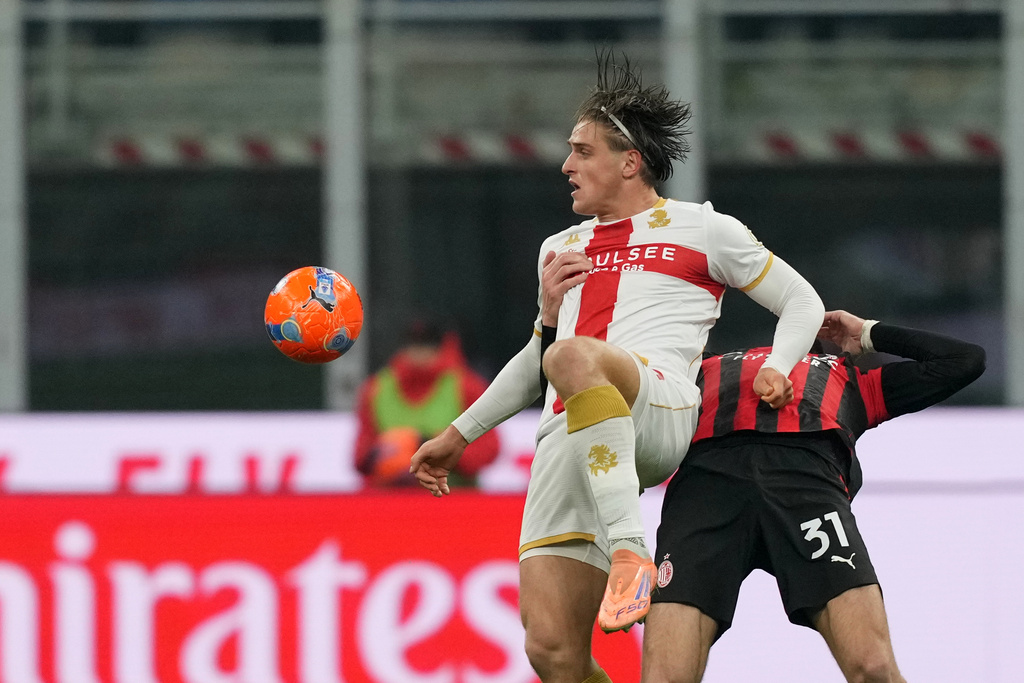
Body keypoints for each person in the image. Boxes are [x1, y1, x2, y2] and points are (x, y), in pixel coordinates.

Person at [410, 53, 825, 683]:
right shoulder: (560, 248)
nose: (566, 166)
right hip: (570, 436)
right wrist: (456, 436)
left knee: (574, 354)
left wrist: (784, 365)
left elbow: (802, 302)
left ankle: (631, 552)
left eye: (581, 151)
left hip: (654, 407)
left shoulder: (704, 229)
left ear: (629, 162)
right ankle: (620, 551)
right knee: (552, 651)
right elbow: (540, 359)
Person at [641, 310, 986, 683]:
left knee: (874, 669)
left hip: (806, 490)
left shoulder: (852, 378)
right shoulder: (699, 370)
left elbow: (964, 361)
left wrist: (867, 334)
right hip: (706, 491)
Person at [353, 319, 499, 487]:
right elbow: (360, 458)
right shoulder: (375, 389)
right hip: (393, 499)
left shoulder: (466, 387)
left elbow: (488, 449)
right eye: (414, 345)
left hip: (452, 499)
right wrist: (383, 454)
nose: (420, 353)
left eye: (428, 345)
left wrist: (438, 448)